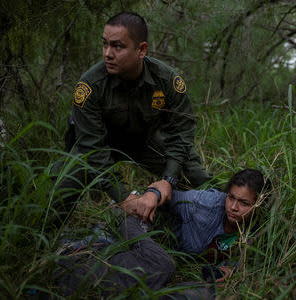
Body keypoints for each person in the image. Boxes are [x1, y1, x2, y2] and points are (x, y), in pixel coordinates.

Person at [55, 12, 211, 221]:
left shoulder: (166, 80)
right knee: (60, 190)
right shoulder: (90, 86)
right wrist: (123, 197)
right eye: (105, 44)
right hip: (102, 144)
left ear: (141, 50)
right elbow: (92, 147)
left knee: (198, 179)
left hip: (146, 142)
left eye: (117, 46)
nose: (108, 53)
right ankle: (45, 243)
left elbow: (181, 132)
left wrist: (168, 180)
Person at [53, 168, 271, 298]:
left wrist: (226, 271)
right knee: (161, 265)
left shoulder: (260, 233)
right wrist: (149, 196)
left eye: (244, 203)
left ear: (259, 204)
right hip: (139, 222)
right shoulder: (203, 204)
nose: (232, 207)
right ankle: (75, 257)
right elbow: (156, 200)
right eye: (231, 197)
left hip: (161, 252)